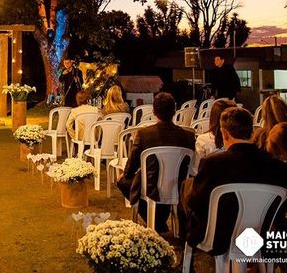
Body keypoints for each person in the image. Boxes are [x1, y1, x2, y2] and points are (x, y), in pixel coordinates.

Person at [183, 107, 287, 254]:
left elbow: (197, 202)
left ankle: (186, 249)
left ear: (224, 133)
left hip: (220, 236)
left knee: (188, 189)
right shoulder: (276, 165)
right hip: (264, 234)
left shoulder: (213, 163)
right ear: (251, 131)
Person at [117, 92, 195, 233]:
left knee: (123, 181)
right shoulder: (189, 136)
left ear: (154, 112)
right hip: (179, 186)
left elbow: (132, 163)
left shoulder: (144, 134)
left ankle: (156, 221)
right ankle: (159, 219)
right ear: (174, 111)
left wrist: (125, 174)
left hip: (151, 186)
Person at [193, 99, 236, 173]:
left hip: (210, 182)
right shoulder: (241, 141)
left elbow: (196, 170)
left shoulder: (203, 139)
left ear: (213, 117)